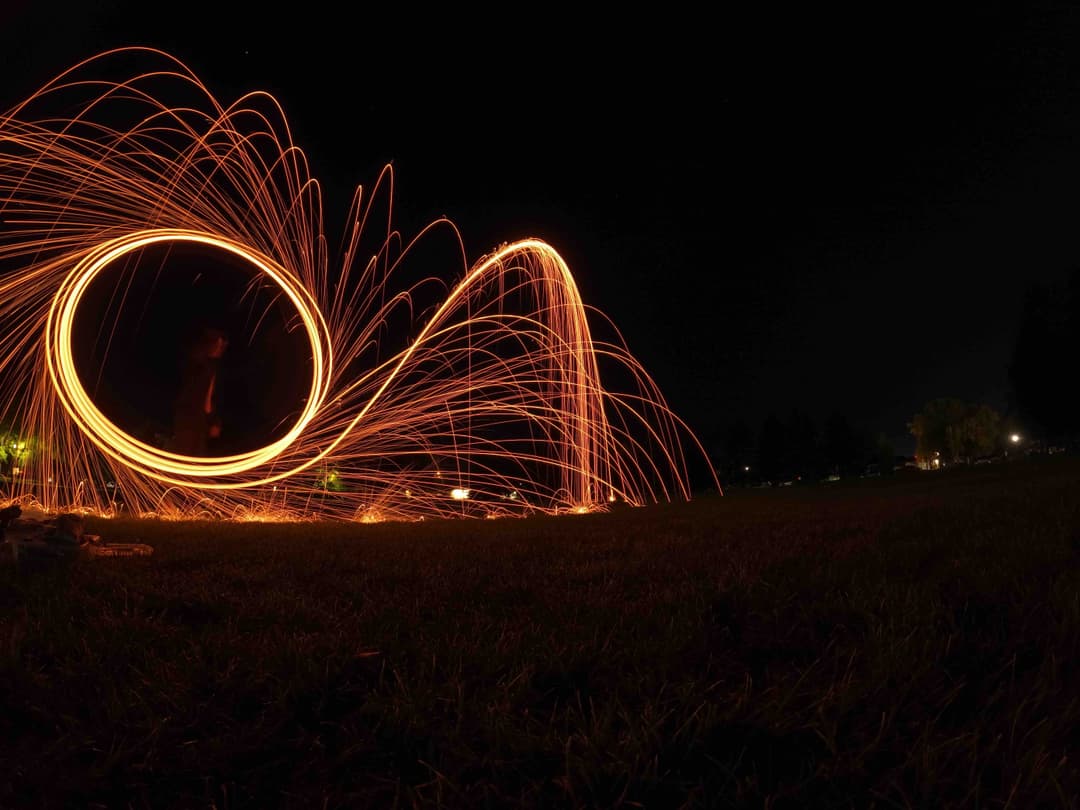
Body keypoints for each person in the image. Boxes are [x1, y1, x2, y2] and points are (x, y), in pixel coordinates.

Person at [172, 326, 228, 456]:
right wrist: (214, 421)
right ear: (215, 343)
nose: (223, 348)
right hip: (194, 421)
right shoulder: (208, 368)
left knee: (184, 459)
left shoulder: (195, 363)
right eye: (221, 344)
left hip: (184, 418)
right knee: (191, 459)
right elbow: (207, 402)